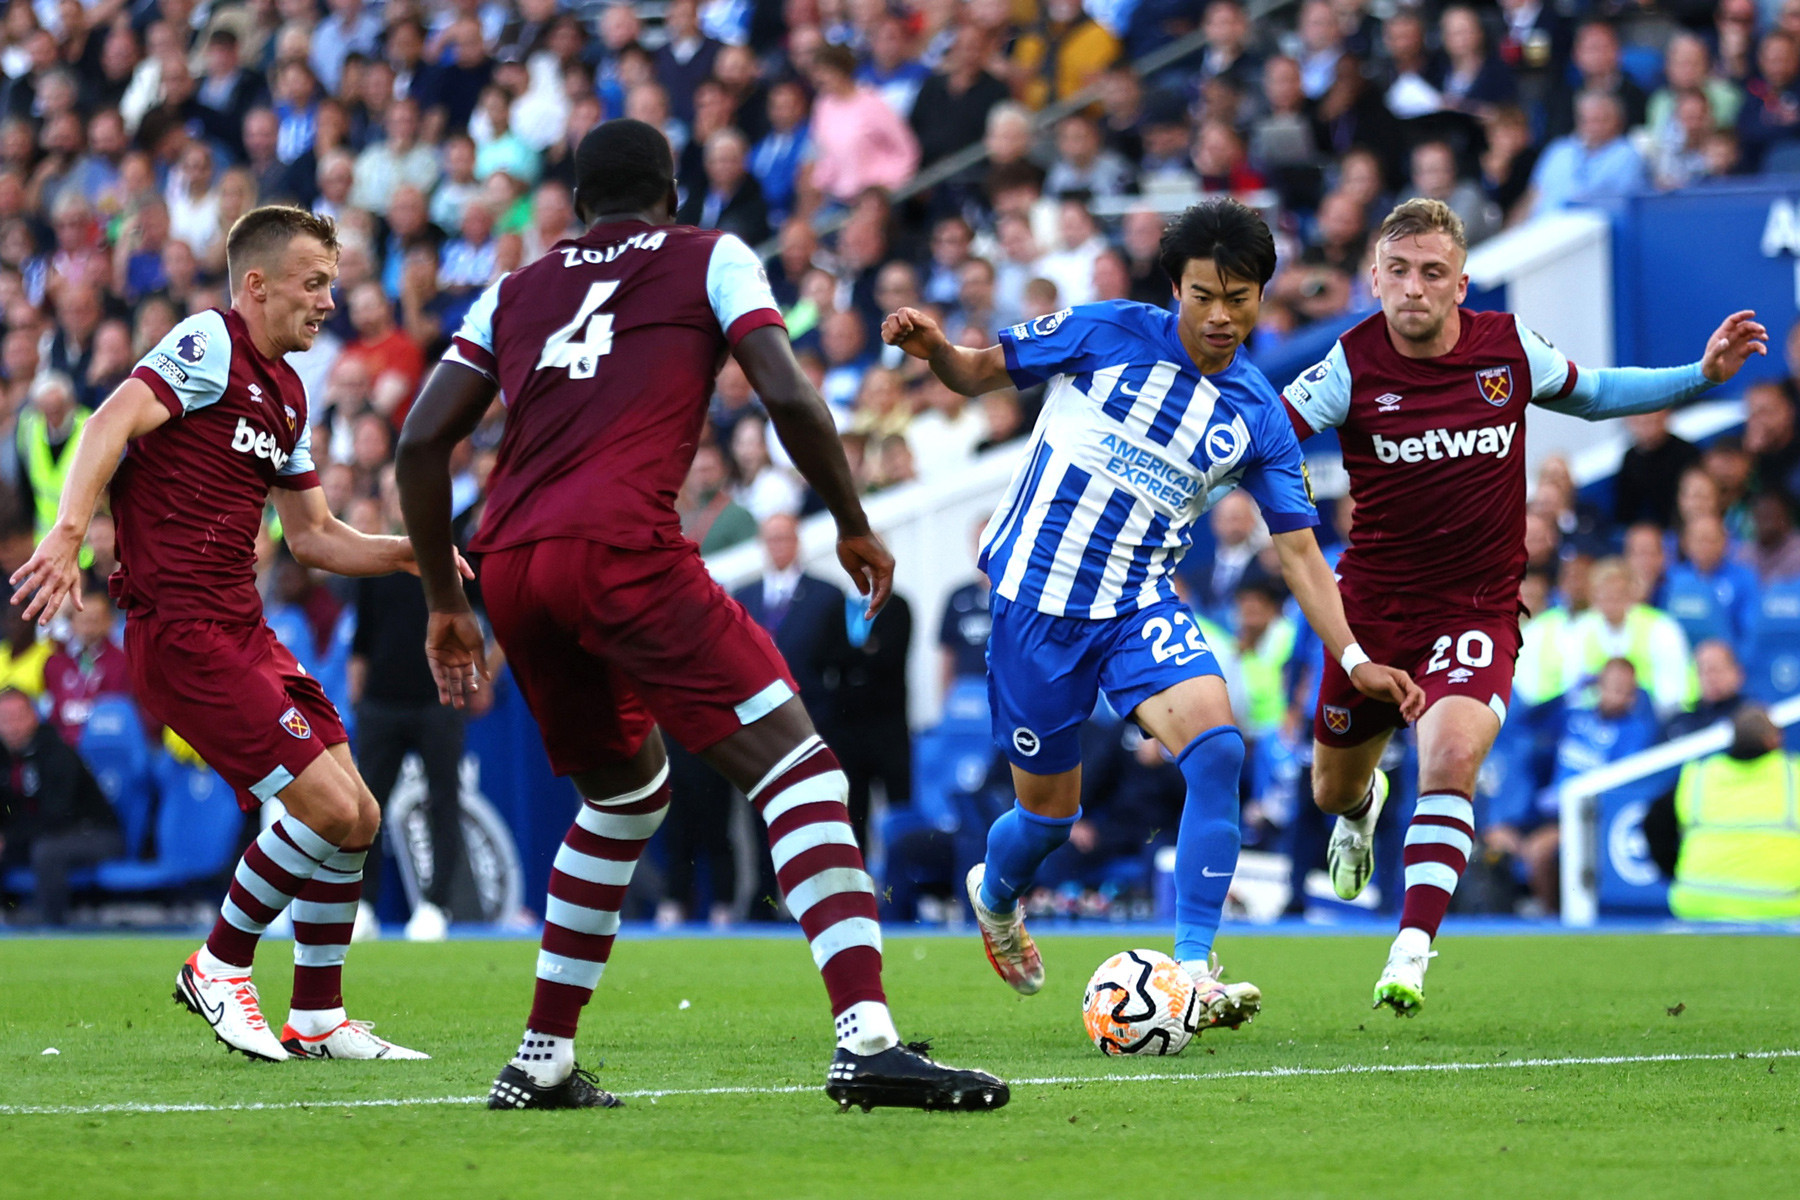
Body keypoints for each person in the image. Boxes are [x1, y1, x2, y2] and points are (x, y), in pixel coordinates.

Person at [395, 119, 1005, 1113]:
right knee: (799, 767)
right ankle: (867, 1039)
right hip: (621, 546)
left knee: (626, 798)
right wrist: (848, 519)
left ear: (579, 207)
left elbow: (421, 444)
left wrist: (442, 599)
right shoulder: (711, 254)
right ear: (673, 195)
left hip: (510, 562)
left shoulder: (512, 288)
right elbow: (788, 392)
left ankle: (542, 1058)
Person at [881, 198, 1423, 1023]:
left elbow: (1301, 552)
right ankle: (995, 895)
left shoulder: (1258, 417)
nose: (1218, 315)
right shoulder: (1104, 331)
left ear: (1261, 299)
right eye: (1203, 294)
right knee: (1047, 818)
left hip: (1138, 606)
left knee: (1216, 752)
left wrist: (1353, 659)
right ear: (1176, 287)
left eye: (1238, 298)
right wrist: (935, 351)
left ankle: (1194, 970)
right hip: (1035, 609)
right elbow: (979, 369)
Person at [1282, 197, 1766, 1014]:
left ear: (1461, 283)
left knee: (1452, 760)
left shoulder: (1505, 348)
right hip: (1370, 615)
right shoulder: (1348, 365)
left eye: (1432, 273)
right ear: (1372, 278)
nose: (1413, 288)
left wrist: (1700, 374)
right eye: (1397, 272)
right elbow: (1257, 435)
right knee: (1331, 789)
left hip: (1475, 608)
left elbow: (1599, 390)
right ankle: (1361, 809)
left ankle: (1410, 949)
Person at [9, 205, 435, 1063]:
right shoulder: (209, 342)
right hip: (183, 630)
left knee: (356, 815)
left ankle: (317, 1016)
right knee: (321, 806)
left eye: (332, 284)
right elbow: (107, 423)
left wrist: (407, 552)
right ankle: (220, 965)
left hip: (243, 627)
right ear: (257, 284)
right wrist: (66, 530)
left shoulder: (290, 391)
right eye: (314, 283)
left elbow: (312, 535)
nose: (328, 300)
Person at [1643, 705, 1800, 921]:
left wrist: (1676, 871)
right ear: (1775, 739)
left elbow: (1654, 824)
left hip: (1699, 905)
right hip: (1780, 908)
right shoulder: (1794, 775)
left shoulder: (1699, 775)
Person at [0, 686, 120, 926]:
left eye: (17, 717)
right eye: (4, 720)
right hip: (36, 835)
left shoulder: (58, 753)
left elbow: (56, 816)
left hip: (95, 833)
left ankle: (53, 927)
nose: (11, 726)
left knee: (47, 851)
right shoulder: (4, 759)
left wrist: (9, 839)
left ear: (33, 717)